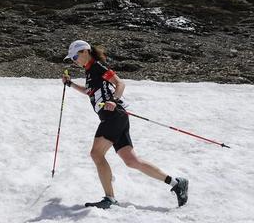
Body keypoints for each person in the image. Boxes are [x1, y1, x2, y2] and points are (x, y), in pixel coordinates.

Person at [61, 40, 188, 209]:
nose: (74, 60)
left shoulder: (97, 66)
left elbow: (120, 83)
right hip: (115, 118)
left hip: (113, 116)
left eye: (75, 56)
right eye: (72, 59)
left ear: (85, 51)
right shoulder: (90, 71)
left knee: (96, 154)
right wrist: (70, 84)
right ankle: (176, 183)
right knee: (131, 161)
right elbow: (89, 92)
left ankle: (110, 198)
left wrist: (113, 101)